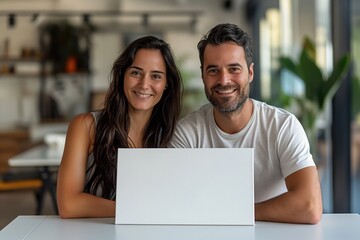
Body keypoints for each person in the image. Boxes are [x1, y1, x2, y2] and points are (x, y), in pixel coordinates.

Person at [169, 23, 323, 224]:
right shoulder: (187, 133)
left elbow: (309, 207)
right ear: (203, 76)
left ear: (250, 73)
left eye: (234, 69)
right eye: (213, 70)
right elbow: (173, 203)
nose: (224, 80)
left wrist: (236, 212)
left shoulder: (282, 126)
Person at [57, 36, 182, 218]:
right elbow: (68, 205)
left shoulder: (174, 136)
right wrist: (137, 211)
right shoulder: (85, 126)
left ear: (166, 84)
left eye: (156, 76)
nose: (144, 84)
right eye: (136, 73)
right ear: (122, 75)